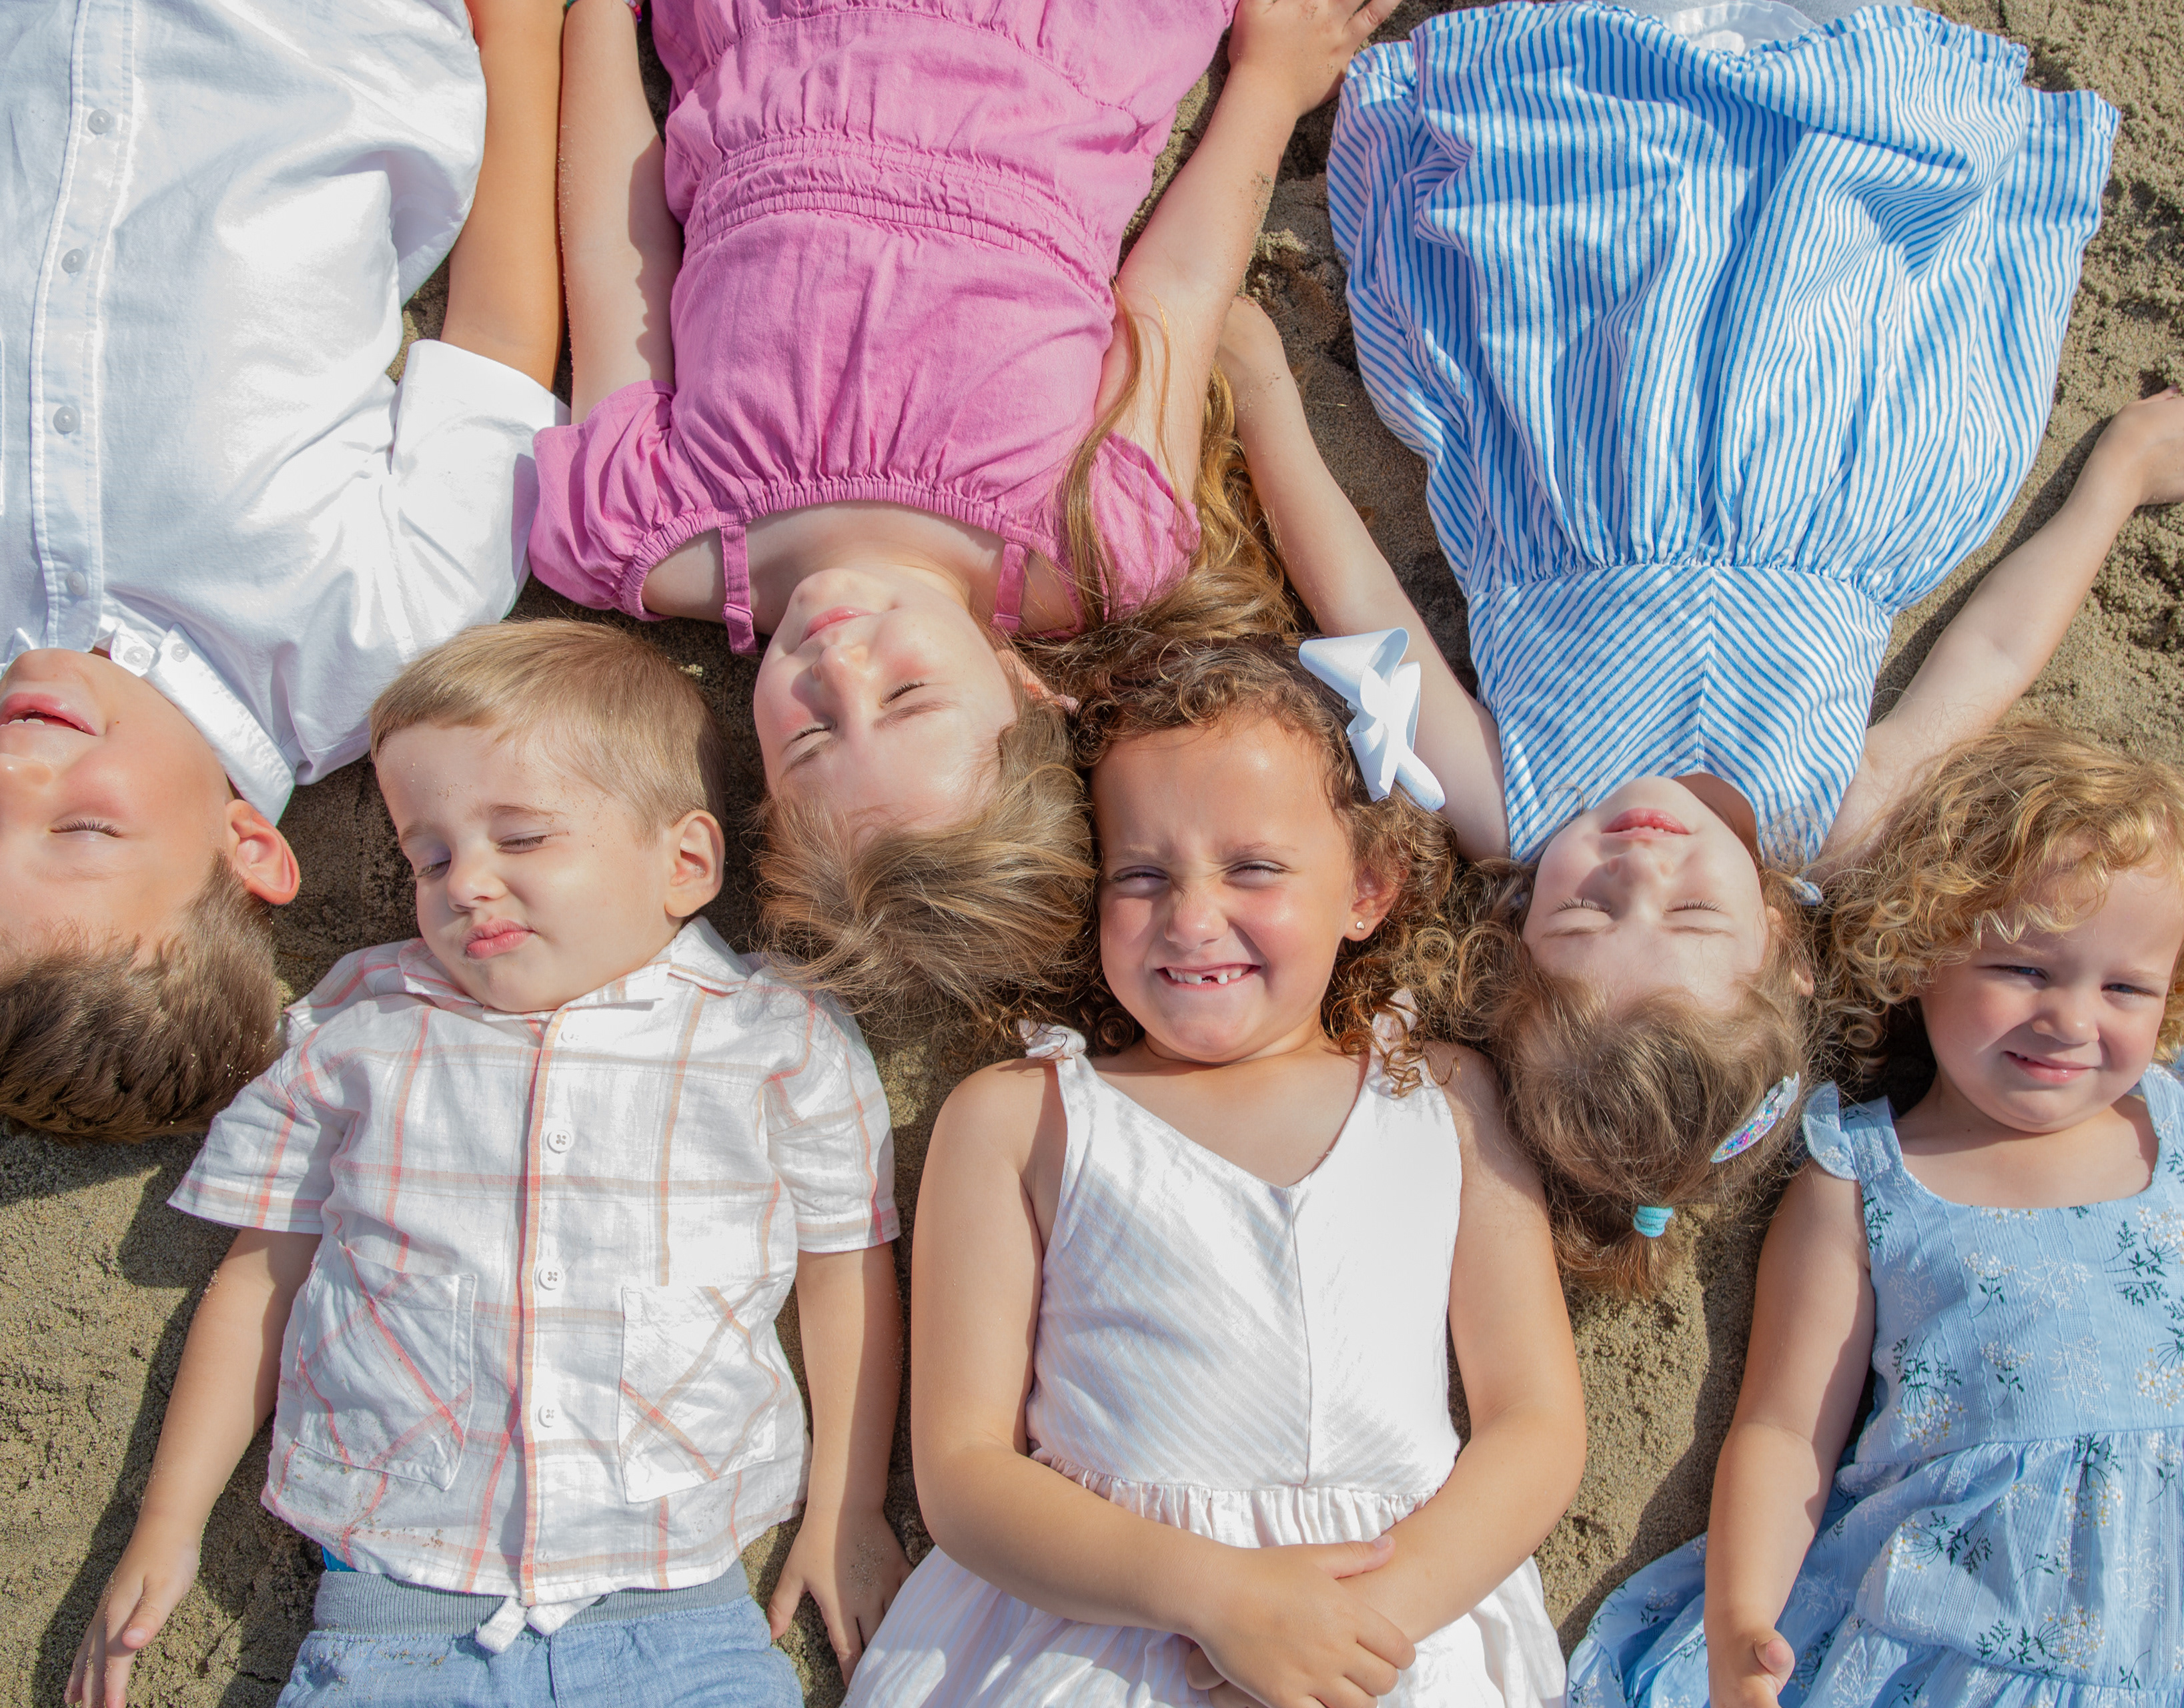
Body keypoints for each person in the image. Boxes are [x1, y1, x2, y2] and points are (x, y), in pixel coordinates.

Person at [1221, 0, 2184, 1290]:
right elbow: (1991, 655)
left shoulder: (1513, 808)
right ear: (1782, 948)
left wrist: (1266, 398)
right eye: (1689, 914)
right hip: (1818, 422)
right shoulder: (1827, 825)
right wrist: (2113, 481)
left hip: (1584, 410)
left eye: (1586, 908)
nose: (1639, 863)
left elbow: (1364, 607)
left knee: (1589, 174)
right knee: (1836, 189)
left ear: (1513, 941)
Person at [65, 621, 907, 1707]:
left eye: (521, 838)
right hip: (394, 1620)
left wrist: (846, 1507)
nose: (465, 883)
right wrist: (168, 1522)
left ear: (684, 862)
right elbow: (261, 1279)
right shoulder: (358, 1032)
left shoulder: (775, 1037)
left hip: (681, 1618)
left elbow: (846, 1268)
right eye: (429, 855)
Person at [536, 0, 1394, 1018]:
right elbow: (1172, 297)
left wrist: (593, 17)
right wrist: (1269, 87)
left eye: (809, 741)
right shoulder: (1096, 544)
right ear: (1023, 687)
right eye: (908, 698)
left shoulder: (645, 535)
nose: (838, 668)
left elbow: (619, 254)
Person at [845, 634, 1584, 1708]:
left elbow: (1535, 1424)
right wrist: (1216, 1599)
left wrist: (1354, 1634)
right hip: (1104, 1626)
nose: (1190, 919)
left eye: (1253, 868)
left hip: (1395, 1622)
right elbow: (961, 1474)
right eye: (1141, 875)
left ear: (1366, 888)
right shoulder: (1020, 1117)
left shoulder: (1446, 1100)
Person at [0, 0, 566, 1142]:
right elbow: (498, 341)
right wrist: (520, 34)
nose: (13, 778)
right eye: (85, 832)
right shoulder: (375, 639)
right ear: (246, 846)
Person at [1566, 723, 2184, 1707]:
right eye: (2024, 970)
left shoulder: (2174, 1126)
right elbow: (1783, 1430)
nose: (2071, 1020)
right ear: (1922, 951)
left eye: (2125, 987)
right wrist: (1740, 1625)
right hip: (1963, 1642)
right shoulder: (1861, 1179)